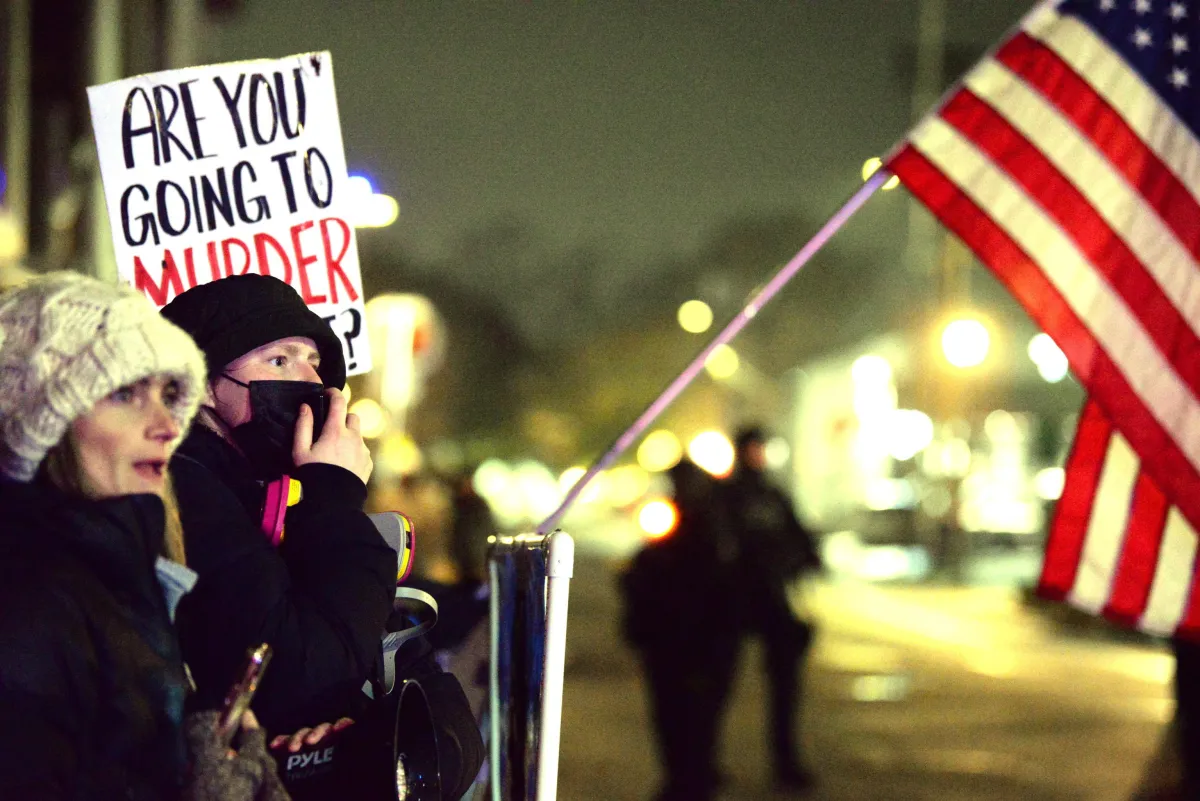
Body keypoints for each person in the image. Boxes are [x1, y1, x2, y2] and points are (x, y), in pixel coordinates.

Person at [161, 274, 482, 798]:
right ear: (201, 386)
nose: (308, 380)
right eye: (280, 361)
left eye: (313, 361)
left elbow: (393, 657)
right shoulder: (184, 487)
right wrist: (332, 494)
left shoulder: (269, 488)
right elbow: (304, 671)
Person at [0, 273, 286, 800]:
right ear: (41, 417)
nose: (164, 423)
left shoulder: (124, 578)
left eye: (170, 392)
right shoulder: (29, 609)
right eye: (124, 393)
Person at [620, 459, 741, 801]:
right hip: (668, 640)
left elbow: (724, 586)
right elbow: (645, 570)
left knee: (698, 720)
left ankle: (694, 780)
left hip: (703, 642)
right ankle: (681, 779)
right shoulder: (668, 520)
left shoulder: (716, 524)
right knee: (671, 717)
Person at [719, 425, 822, 792]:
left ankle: (785, 762)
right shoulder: (726, 496)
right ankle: (706, 763)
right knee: (717, 687)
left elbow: (800, 538)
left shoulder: (774, 496)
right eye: (754, 448)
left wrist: (805, 557)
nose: (758, 455)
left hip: (773, 600)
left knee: (785, 690)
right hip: (731, 603)